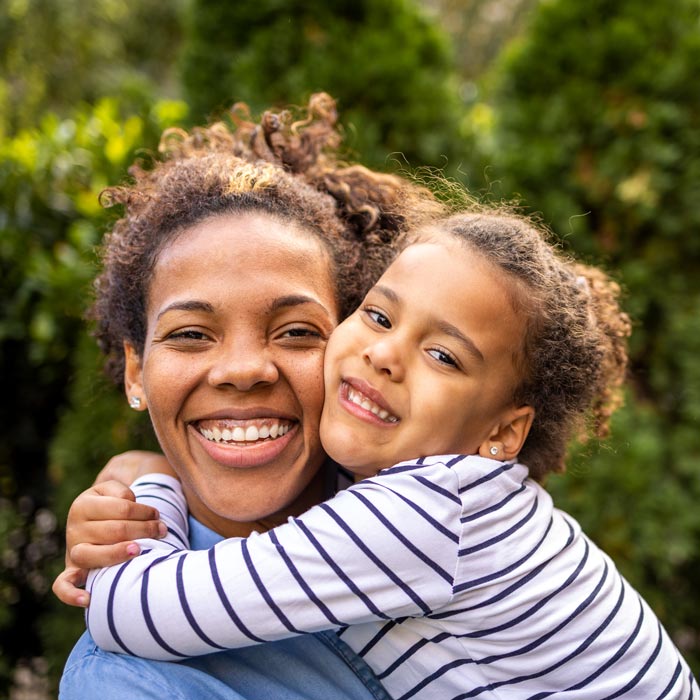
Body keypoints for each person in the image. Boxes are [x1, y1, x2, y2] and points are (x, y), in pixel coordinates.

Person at [76, 210, 698, 698]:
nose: (384, 354)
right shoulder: (438, 493)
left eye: (444, 356)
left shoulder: (422, 516)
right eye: (377, 316)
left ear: (505, 434)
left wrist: (147, 494)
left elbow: (128, 611)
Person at [55, 93, 445, 700]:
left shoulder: (437, 512)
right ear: (136, 372)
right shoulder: (131, 680)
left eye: (296, 332)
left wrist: (147, 472)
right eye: (189, 335)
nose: (243, 370)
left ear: (353, 348)